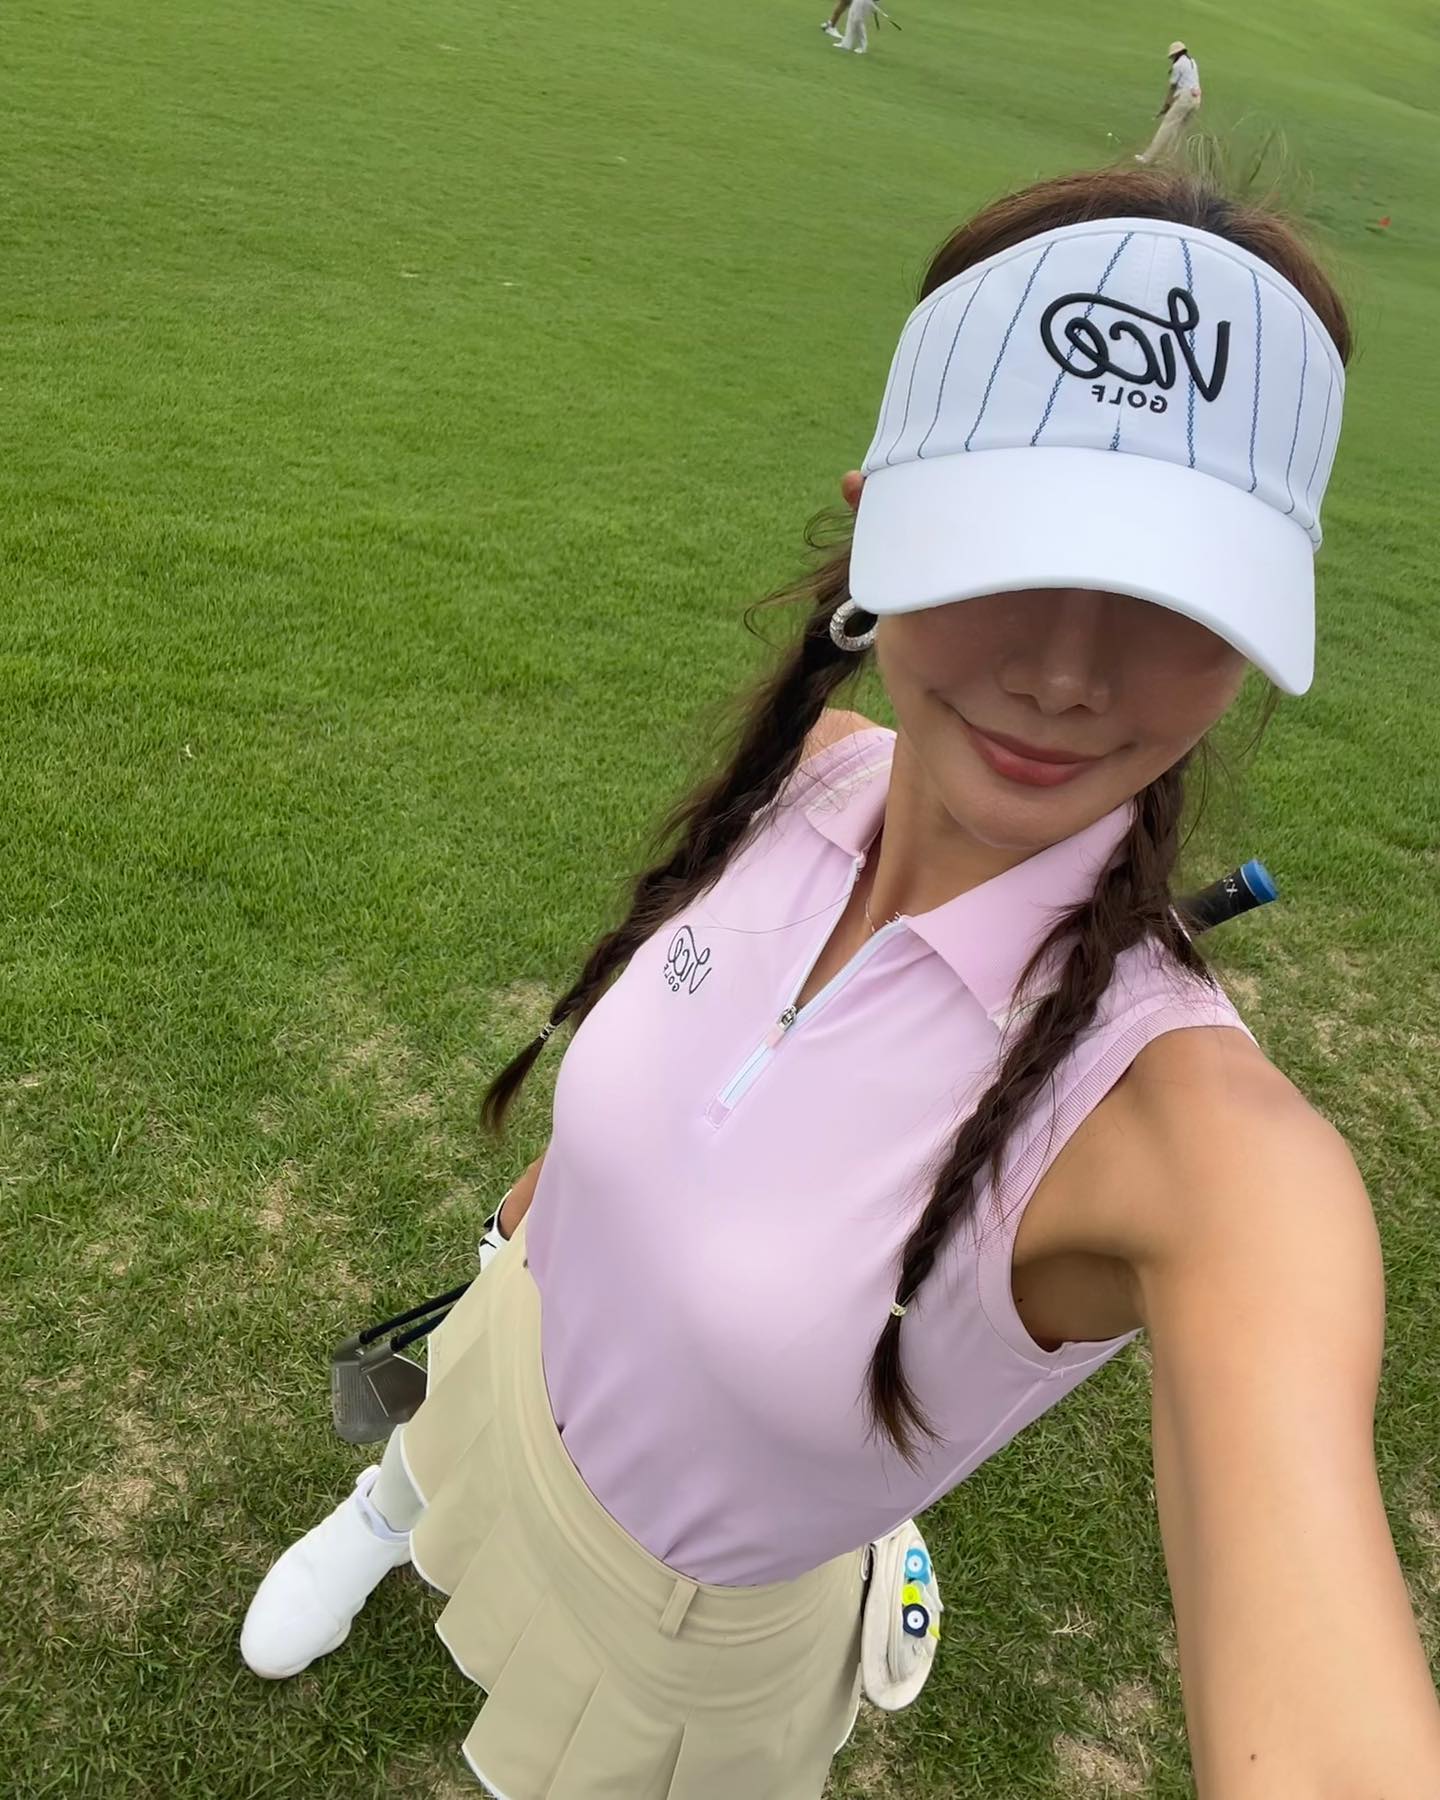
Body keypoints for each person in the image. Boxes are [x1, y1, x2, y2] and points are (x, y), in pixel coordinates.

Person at [240, 167, 1440, 1798]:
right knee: (433, 1445)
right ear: (880, 518)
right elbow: (651, 1102)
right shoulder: (812, 776)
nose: (1068, 670)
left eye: (1175, 592)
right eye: (1013, 541)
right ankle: (387, 1511)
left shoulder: (1206, 1158)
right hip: (511, 1354)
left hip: (682, 1628)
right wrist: (526, 1232)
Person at [1137, 41, 1202, 163]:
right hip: (1196, 99)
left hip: (1185, 97)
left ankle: (1147, 157)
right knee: (1179, 131)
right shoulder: (1192, 61)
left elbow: (1173, 87)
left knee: (1166, 127)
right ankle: (1168, 160)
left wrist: (1167, 104)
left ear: (1175, 54)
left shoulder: (1178, 65)